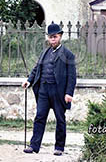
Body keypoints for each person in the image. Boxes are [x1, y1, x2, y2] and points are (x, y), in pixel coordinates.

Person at [21, 23, 76, 156]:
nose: (53, 39)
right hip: (44, 90)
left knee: (60, 119)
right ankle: (34, 146)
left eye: (55, 37)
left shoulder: (68, 55)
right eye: (51, 37)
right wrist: (29, 80)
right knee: (39, 117)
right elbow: (37, 69)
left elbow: (72, 76)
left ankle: (59, 147)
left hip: (59, 91)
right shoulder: (44, 52)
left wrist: (69, 93)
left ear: (60, 36)